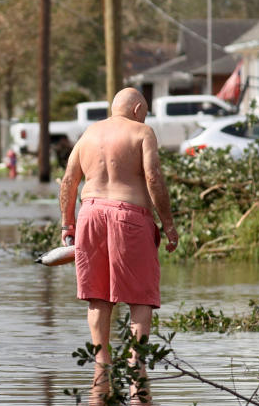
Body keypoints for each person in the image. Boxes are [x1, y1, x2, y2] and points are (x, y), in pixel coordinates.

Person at [58, 87, 179, 386]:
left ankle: (102, 362)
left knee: (97, 296)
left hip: (90, 213)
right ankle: (136, 364)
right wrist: (168, 224)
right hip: (129, 216)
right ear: (138, 110)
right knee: (140, 296)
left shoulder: (88, 134)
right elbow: (152, 177)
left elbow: (69, 180)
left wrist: (67, 225)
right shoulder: (142, 132)